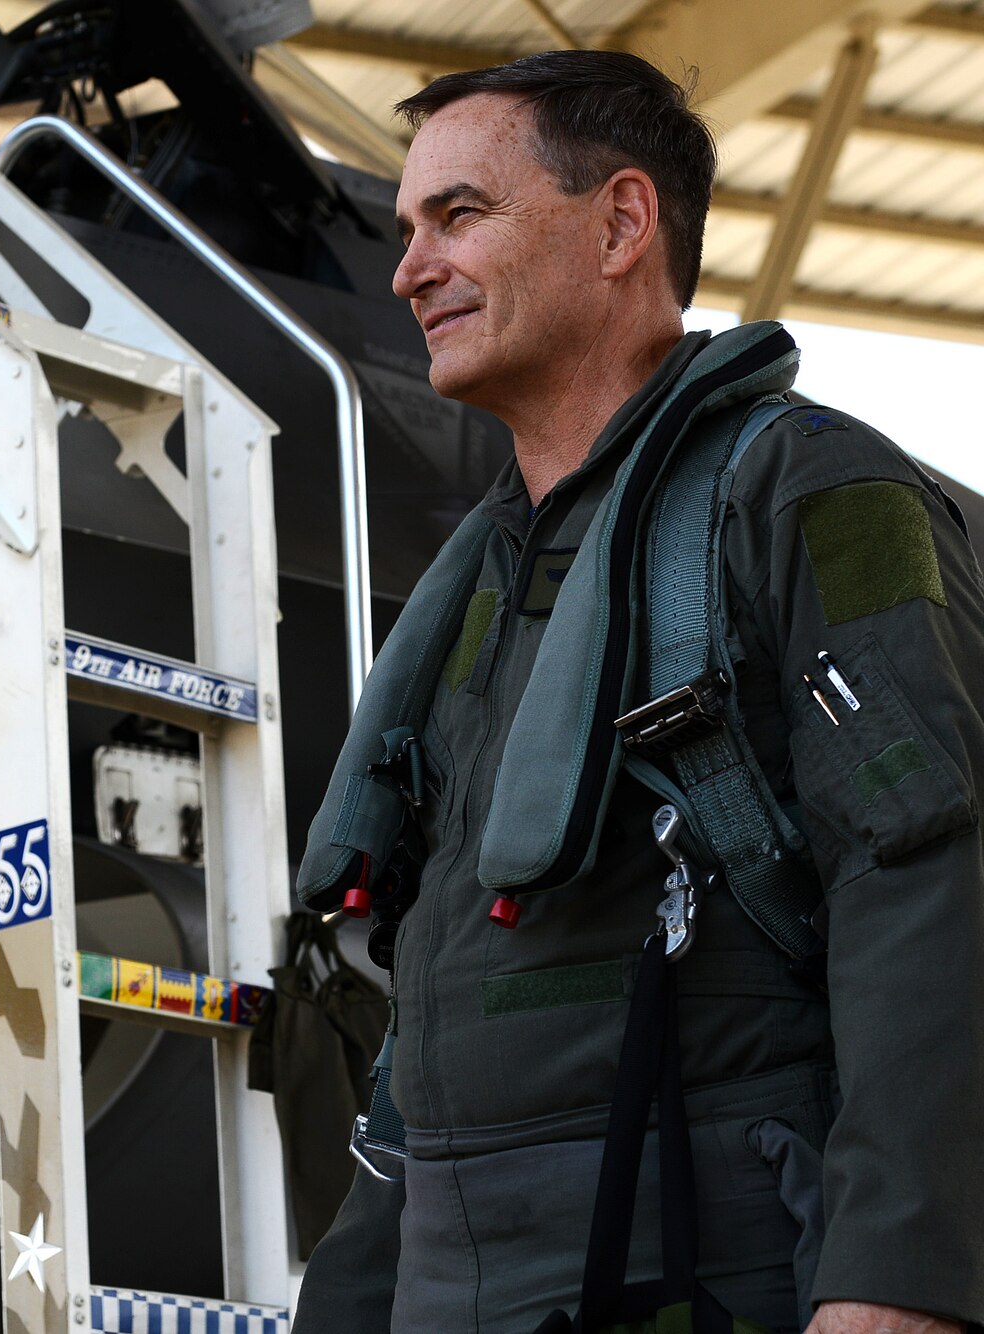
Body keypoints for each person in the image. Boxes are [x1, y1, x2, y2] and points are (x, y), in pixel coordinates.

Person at [292, 52, 984, 1334]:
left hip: (708, 1256)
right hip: (458, 1264)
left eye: (458, 215)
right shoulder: (480, 588)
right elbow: (437, 995)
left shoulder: (815, 497)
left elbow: (928, 876)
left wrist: (898, 1274)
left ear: (618, 224)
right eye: (403, 230)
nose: (406, 269)